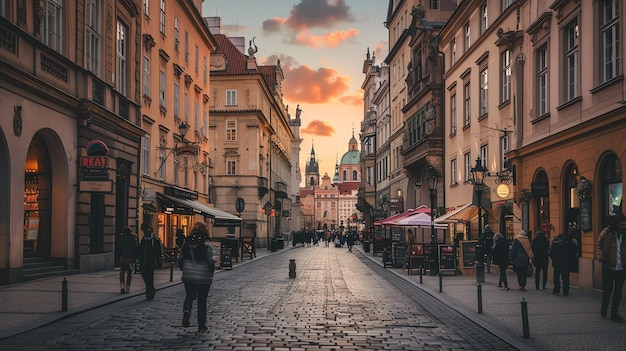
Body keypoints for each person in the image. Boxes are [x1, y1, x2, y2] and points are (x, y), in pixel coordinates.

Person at [179, 221, 216, 332]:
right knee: (202, 301)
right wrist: (211, 272)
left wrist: (184, 270)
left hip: (189, 275)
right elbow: (210, 262)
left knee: (189, 296)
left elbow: (180, 260)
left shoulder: (185, 245)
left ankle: (187, 310)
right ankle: (201, 324)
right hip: (204, 277)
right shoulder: (206, 247)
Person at [597, 214, 626, 322]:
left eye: (625, 224)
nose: (624, 226)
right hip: (608, 266)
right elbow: (599, 245)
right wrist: (602, 257)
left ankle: (614, 313)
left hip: (621, 267)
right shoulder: (607, 232)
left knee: (618, 291)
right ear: (616, 224)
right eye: (622, 224)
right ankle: (604, 308)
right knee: (607, 290)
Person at [138, 226, 163, 300]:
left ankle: (149, 294)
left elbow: (158, 251)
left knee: (150, 277)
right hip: (144, 261)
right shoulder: (143, 239)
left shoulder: (155, 240)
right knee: (144, 275)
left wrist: (158, 260)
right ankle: (151, 288)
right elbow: (140, 249)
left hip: (151, 261)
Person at [118, 226, 138, 294]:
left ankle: (122, 286)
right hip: (130, 258)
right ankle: (128, 287)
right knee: (129, 273)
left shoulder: (121, 239)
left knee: (122, 272)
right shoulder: (133, 239)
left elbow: (118, 249)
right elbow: (135, 249)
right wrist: (134, 259)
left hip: (122, 257)